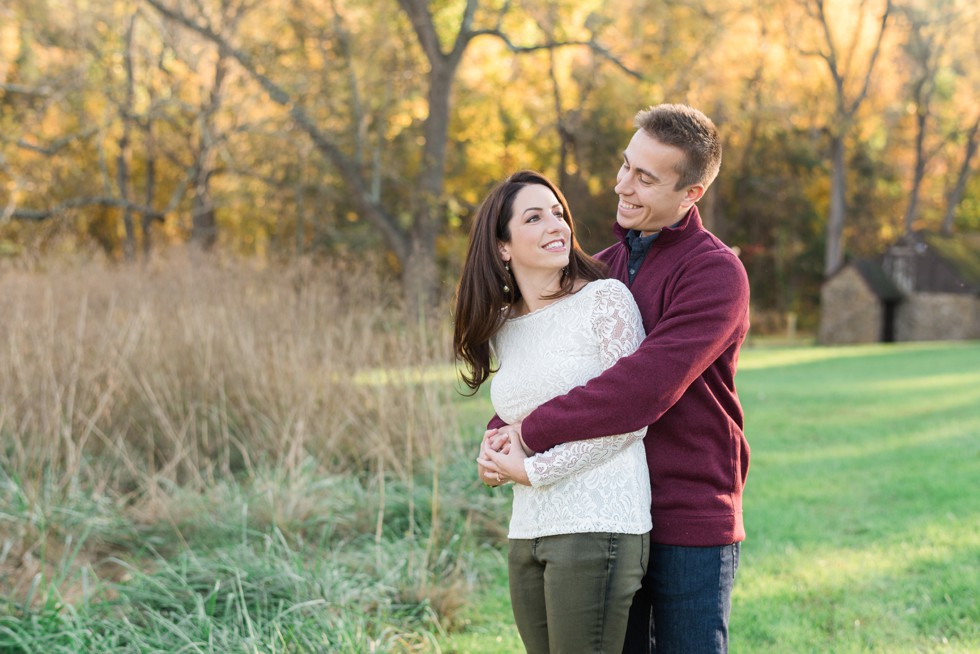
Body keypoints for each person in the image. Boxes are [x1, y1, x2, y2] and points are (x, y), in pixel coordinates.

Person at [486, 104, 751, 654]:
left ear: (691, 194)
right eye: (626, 166)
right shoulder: (600, 270)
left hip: (687, 512)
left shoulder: (714, 272)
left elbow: (644, 387)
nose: (622, 186)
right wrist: (498, 431)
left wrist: (529, 434)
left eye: (646, 178)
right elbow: (553, 367)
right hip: (607, 509)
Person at [453, 170, 652, 654]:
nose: (556, 226)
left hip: (598, 524)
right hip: (529, 528)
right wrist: (494, 452)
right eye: (535, 217)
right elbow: (519, 413)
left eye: (558, 214)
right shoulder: (503, 326)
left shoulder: (605, 300)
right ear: (503, 247)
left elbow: (631, 418)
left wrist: (534, 468)